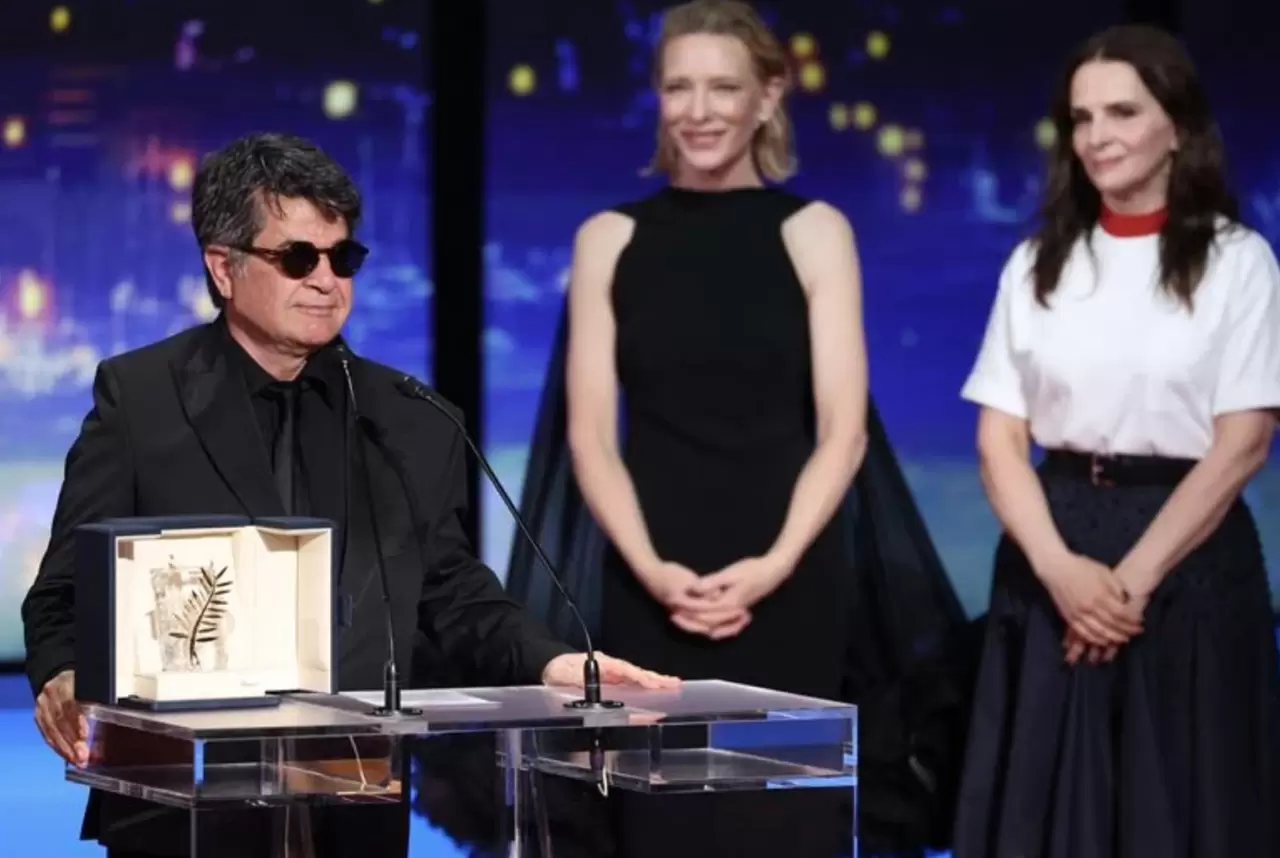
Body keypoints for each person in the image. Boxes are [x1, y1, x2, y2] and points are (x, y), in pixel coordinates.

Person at [21, 131, 676, 858]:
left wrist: (552, 662)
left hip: (352, 797)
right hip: (181, 803)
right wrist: (62, 673)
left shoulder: (410, 419)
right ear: (223, 267)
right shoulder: (142, 399)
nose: (327, 280)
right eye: (298, 258)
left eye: (344, 258)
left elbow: (452, 593)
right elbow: (63, 592)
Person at [498, 2, 974, 855]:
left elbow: (844, 431)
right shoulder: (607, 238)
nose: (699, 109)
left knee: (783, 825)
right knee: (658, 825)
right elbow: (590, 437)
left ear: (768, 96)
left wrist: (773, 566)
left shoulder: (815, 231)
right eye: (679, 87)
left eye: (723, 87)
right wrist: (652, 570)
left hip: (789, 582)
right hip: (650, 581)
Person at [953, 24, 1280, 858]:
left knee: (1184, 804)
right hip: (1051, 554)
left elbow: (1244, 442)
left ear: (1179, 126)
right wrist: (1061, 573)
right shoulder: (1037, 262)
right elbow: (999, 440)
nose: (1098, 136)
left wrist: (1127, 586)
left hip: (1186, 558)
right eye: (1082, 117)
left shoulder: (1239, 263)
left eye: (1123, 112)